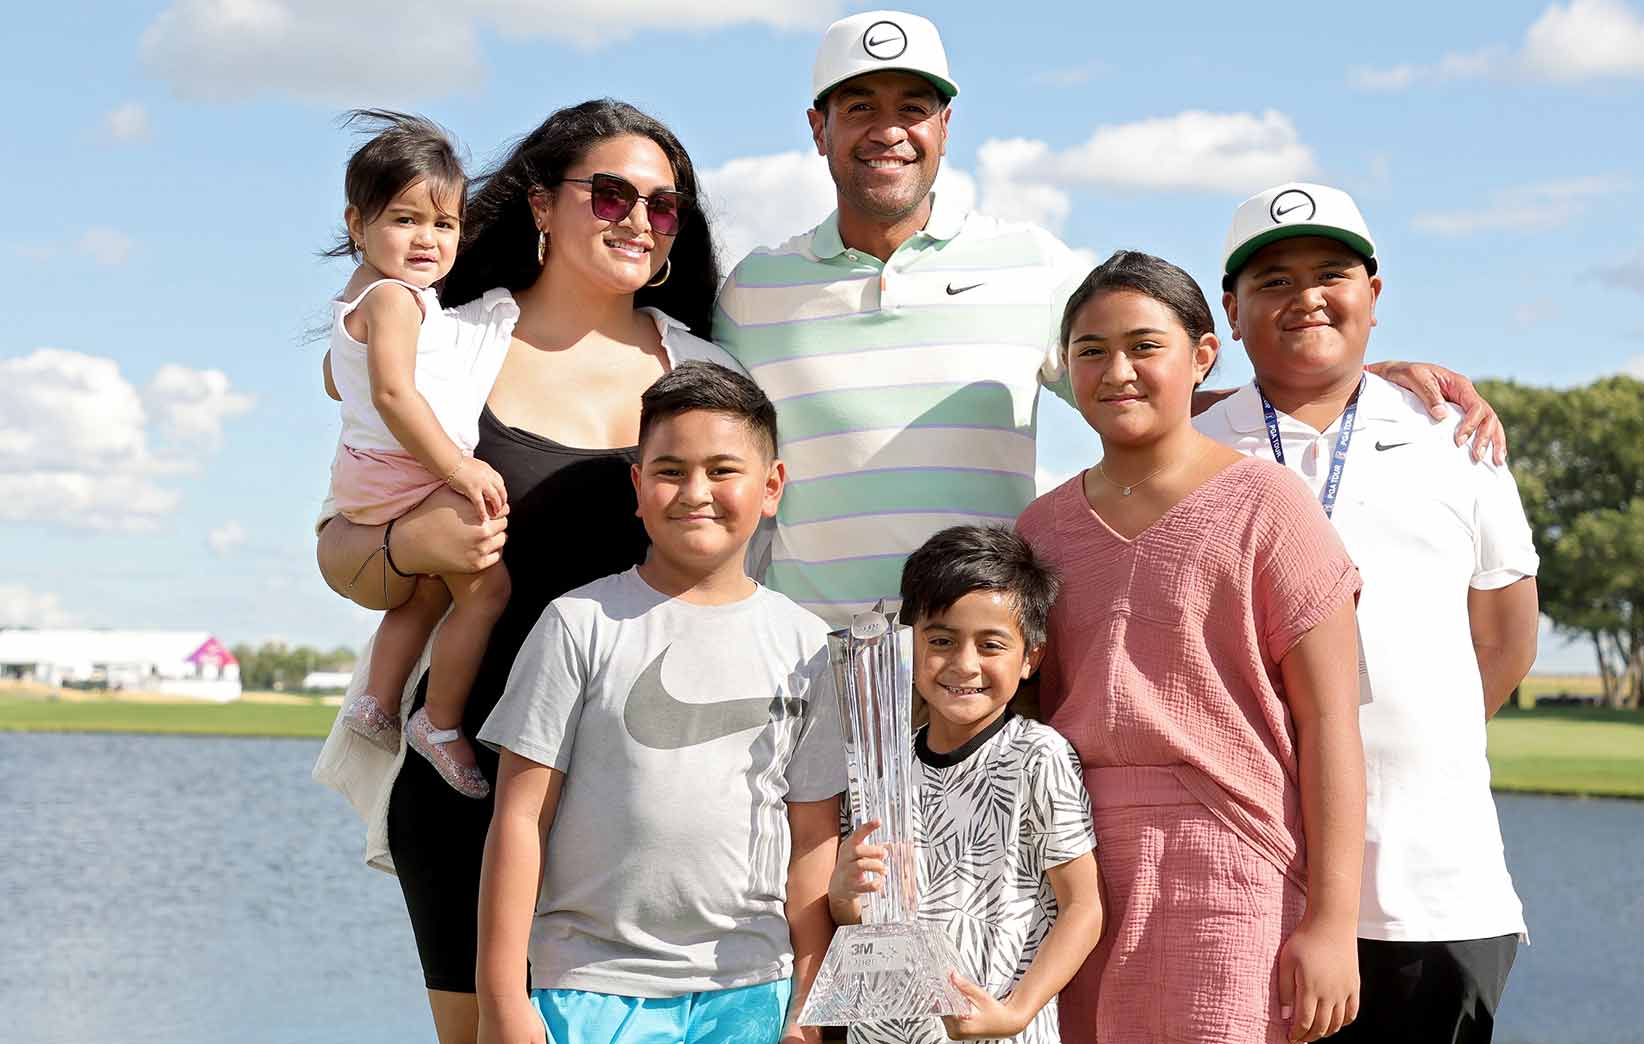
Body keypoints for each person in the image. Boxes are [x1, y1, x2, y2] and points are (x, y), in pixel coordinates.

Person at [713, 9, 1502, 630]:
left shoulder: (1032, 265)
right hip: (810, 663)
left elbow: (1147, 395)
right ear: (819, 128)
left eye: (912, 107)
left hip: (982, 671)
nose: (889, 129)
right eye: (860, 106)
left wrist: (1346, 384)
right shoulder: (753, 292)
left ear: (944, 130)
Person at [310, 100, 747, 1044]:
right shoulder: (445, 341)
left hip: (653, 793)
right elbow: (340, 548)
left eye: (663, 206)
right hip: (466, 773)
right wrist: (413, 548)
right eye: (612, 194)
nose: (638, 219)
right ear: (543, 205)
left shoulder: (711, 373)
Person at [1195, 182, 1539, 1044]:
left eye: (1331, 274)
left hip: (1434, 888)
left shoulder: (1456, 438)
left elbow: (1503, 643)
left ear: (1374, 299)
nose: (1305, 296)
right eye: (1271, 281)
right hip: (1246, 880)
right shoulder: (1189, 446)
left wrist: (1384, 741)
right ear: (1231, 314)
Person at [1017, 251, 1367, 1044]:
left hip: (1230, 866)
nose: (1118, 372)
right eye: (1091, 350)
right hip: (1074, 872)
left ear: (1204, 355)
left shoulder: (1270, 506)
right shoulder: (1041, 529)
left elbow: (1330, 724)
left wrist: (1333, 922)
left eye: (1146, 346)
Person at [476, 362, 843, 1044]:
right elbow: (519, 819)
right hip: (588, 986)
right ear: (639, 489)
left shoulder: (807, 644)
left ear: (771, 488)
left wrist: (810, 1006)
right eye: (671, 470)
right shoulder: (577, 623)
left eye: (722, 470)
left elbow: (812, 842)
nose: (696, 492)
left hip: (751, 989)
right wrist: (501, 1001)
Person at [827, 524, 1102, 1044]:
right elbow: (857, 917)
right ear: (908, 646)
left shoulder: (1037, 757)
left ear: (1030, 658)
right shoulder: (876, 768)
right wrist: (842, 896)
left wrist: (1017, 1012)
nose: (964, 664)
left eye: (991, 644)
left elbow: (1084, 907)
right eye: (942, 641)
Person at [320, 110, 510, 798]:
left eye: (445, 224)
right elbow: (396, 395)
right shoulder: (397, 299)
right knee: (487, 590)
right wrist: (457, 467)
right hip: (404, 474)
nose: (427, 239)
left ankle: (375, 701)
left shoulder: (355, 298)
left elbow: (332, 375)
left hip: (366, 477)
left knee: (429, 588)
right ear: (356, 225)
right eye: (405, 220)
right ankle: (439, 719)